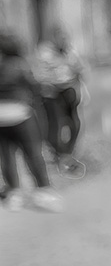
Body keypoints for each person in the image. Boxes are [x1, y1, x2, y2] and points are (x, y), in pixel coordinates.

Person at [0, 28, 64, 212]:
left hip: (1, 117)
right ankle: (43, 192)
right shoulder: (20, 65)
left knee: (6, 157)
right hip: (21, 115)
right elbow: (34, 86)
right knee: (33, 153)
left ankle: (14, 194)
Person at [34, 24, 86, 170]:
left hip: (69, 91)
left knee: (75, 124)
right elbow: (39, 76)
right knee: (55, 125)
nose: (64, 41)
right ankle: (58, 153)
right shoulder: (44, 53)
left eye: (65, 38)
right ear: (54, 39)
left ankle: (68, 152)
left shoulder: (71, 52)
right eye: (61, 38)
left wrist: (75, 74)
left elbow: (81, 70)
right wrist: (57, 80)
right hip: (52, 95)